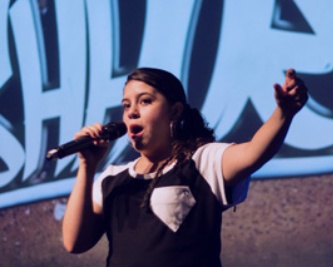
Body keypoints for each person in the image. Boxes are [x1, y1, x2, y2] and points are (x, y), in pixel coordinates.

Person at [62, 67, 308, 267]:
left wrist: (283, 115)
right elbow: (75, 242)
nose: (132, 112)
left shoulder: (202, 162)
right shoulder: (112, 179)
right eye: (126, 106)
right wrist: (87, 165)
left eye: (145, 101)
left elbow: (254, 152)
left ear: (175, 111)